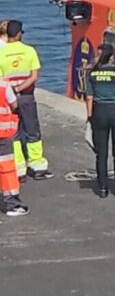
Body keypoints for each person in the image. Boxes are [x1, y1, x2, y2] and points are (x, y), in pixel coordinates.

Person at [0, 20, 52, 180]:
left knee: (14, 133)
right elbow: (34, 76)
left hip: (9, 99)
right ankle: (37, 166)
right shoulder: (29, 51)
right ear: (19, 34)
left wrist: (12, 90)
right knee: (32, 131)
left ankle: (19, 168)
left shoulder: (1, 52)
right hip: (27, 96)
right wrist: (20, 88)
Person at [85, 43, 115, 198]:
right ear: (112, 57)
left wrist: (90, 116)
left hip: (100, 112)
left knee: (102, 153)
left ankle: (103, 188)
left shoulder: (93, 74)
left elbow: (89, 98)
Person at [0, 79, 29, 215]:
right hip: (3, 133)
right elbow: (13, 104)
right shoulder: (4, 85)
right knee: (7, 169)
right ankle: (12, 203)